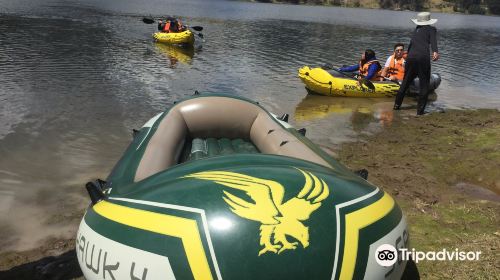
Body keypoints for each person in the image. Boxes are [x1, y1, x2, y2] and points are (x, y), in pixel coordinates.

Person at [393, 12, 440, 115]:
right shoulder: (431, 29)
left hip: (410, 58)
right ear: (429, 21)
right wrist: (435, 51)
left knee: (405, 83)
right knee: (424, 86)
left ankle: (396, 106)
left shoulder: (416, 30)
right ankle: (420, 112)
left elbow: (411, 45)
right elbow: (433, 41)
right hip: (423, 58)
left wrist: (407, 58)